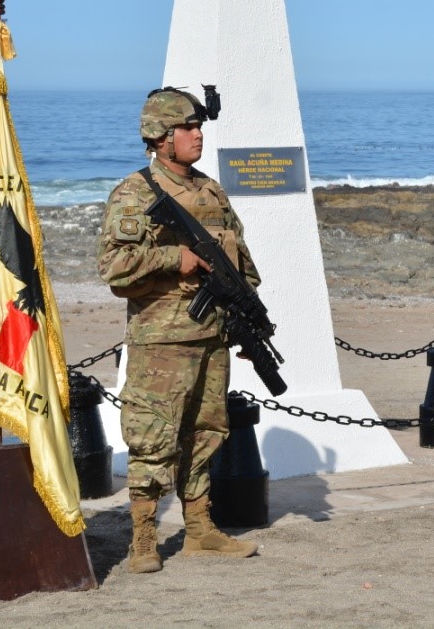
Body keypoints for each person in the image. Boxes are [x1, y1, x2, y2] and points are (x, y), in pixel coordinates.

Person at [98, 87, 260, 572]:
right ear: (160, 137)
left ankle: (200, 529)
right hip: (162, 340)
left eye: (199, 127)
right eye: (187, 128)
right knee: (153, 436)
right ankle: (144, 539)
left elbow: (241, 264)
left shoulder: (212, 191)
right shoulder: (136, 193)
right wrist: (175, 257)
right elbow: (114, 266)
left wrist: (248, 319)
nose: (198, 135)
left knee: (207, 431)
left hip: (212, 336)